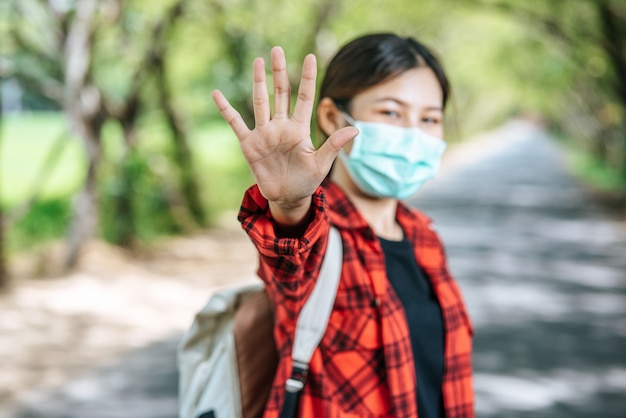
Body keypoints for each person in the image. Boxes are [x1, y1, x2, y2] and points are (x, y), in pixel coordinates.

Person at [212, 33, 474, 418]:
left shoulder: (423, 235)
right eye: (390, 113)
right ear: (332, 117)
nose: (413, 133)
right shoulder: (317, 235)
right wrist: (289, 204)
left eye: (429, 118)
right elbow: (290, 253)